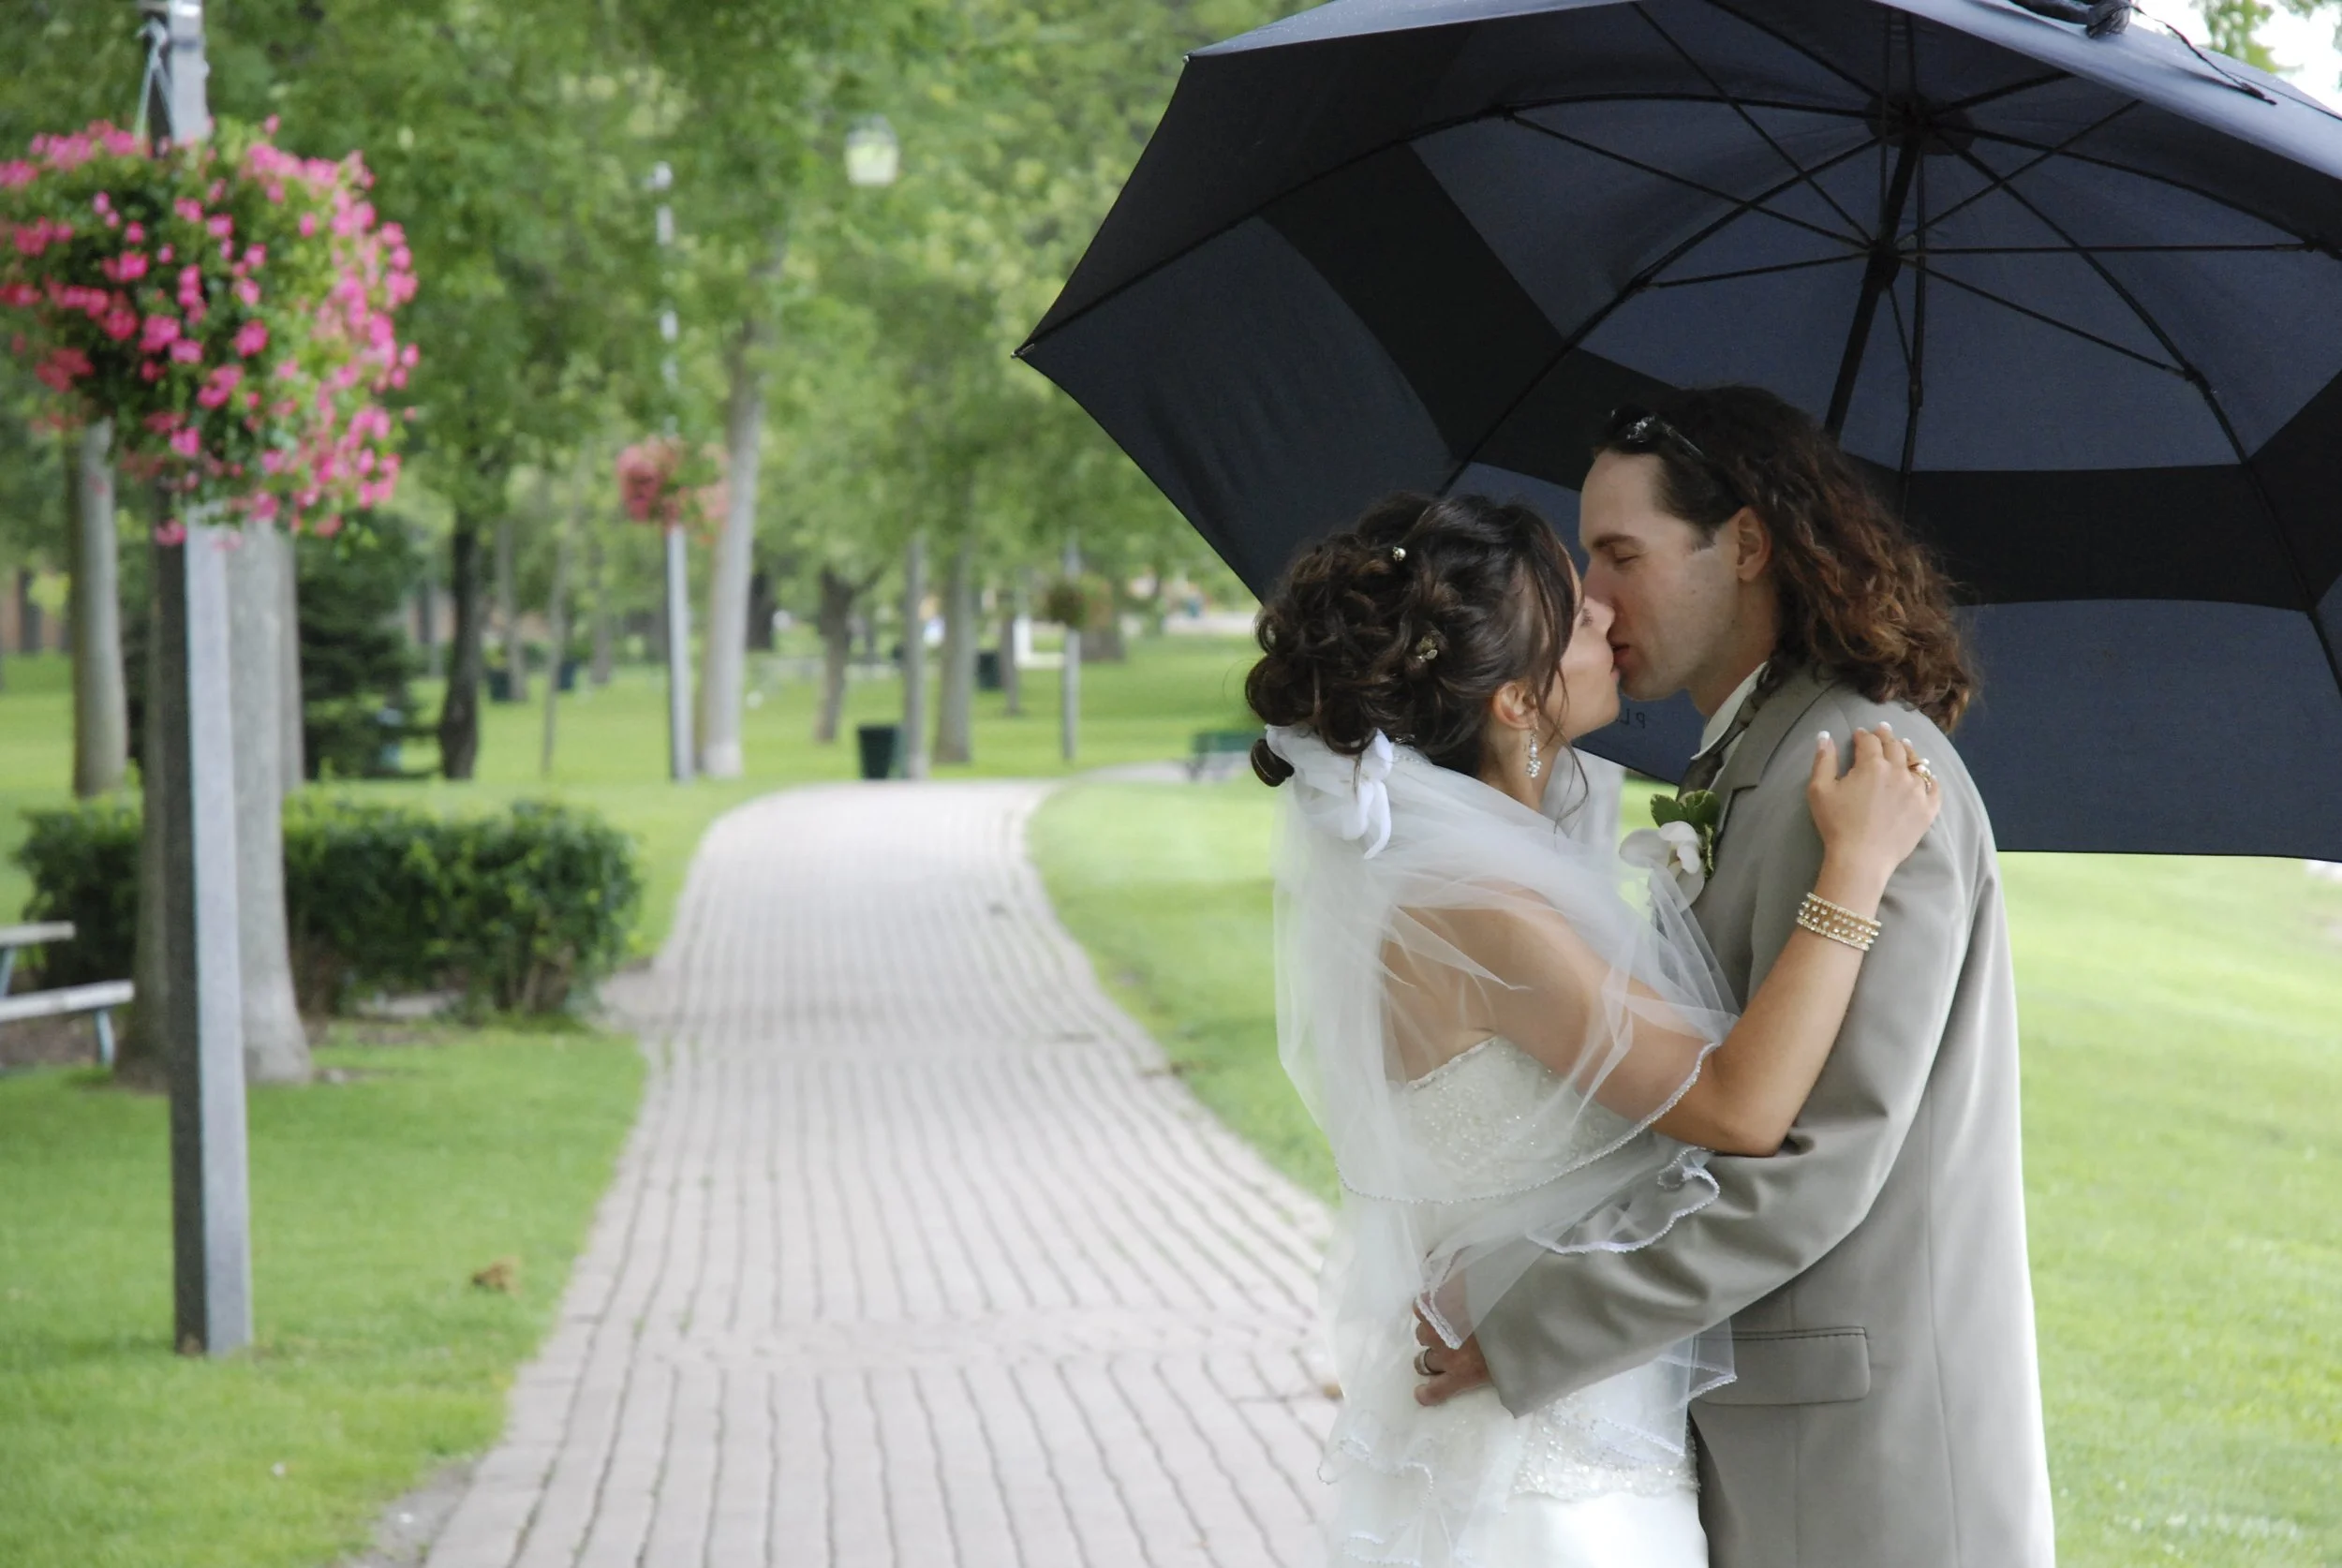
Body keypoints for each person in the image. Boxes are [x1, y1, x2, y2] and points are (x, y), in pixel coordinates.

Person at [1414, 388, 2056, 1568]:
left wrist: (1535, 1322)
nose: (1592, 603)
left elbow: (1816, 1161)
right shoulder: (1762, 759)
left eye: (1621, 556)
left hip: (1865, 1454)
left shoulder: (1861, 775)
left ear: (1746, 545)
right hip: (1754, 1431)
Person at [1246, 488, 1939, 1567]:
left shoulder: (1468, 883)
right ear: (1516, 704)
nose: (1610, 619)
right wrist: (1854, 870)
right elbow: (1738, 1109)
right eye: (1575, 619)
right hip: (1550, 1479)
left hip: (1557, 1413)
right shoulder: (1485, 910)